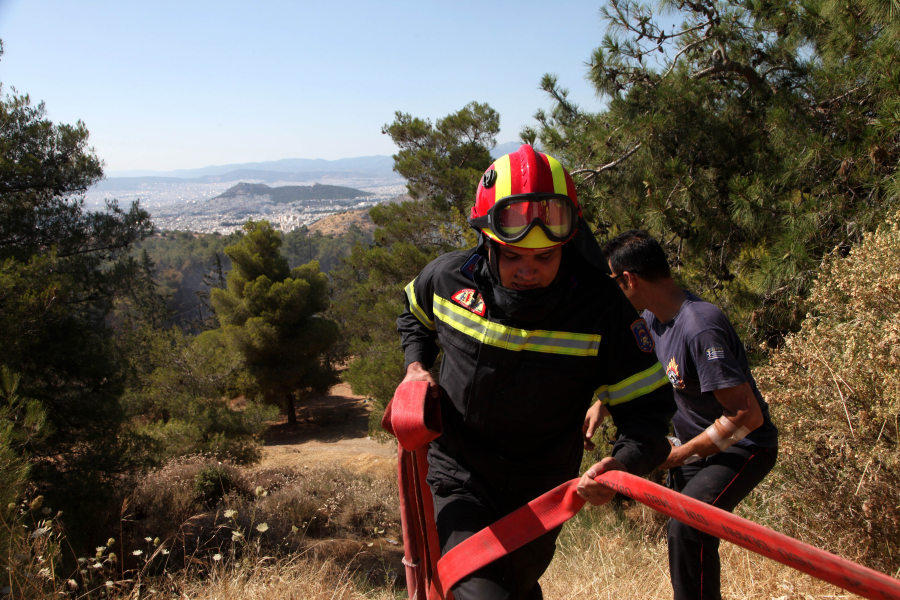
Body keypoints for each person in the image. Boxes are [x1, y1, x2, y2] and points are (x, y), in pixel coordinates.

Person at [396, 145, 675, 600]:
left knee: (515, 588)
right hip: (457, 475)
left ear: (568, 243)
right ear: (487, 242)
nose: (529, 270)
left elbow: (647, 415)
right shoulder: (449, 279)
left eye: (545, 258)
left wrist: (621, 463)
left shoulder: (601, 312)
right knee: (478, 590)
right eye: (513, 257)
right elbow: (413, 315)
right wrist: (415, 367)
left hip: (541, 494)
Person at [602, 229, 778, 600]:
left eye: (612, 282)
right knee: (683, 535)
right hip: (696, 447)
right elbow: (638, 372)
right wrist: (599, 404)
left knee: (688, 527)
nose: (611, 293)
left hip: (744, 447)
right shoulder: (651, 318)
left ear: (629, 279)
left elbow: (747, 416)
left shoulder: (700, 327)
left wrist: (678, 455)